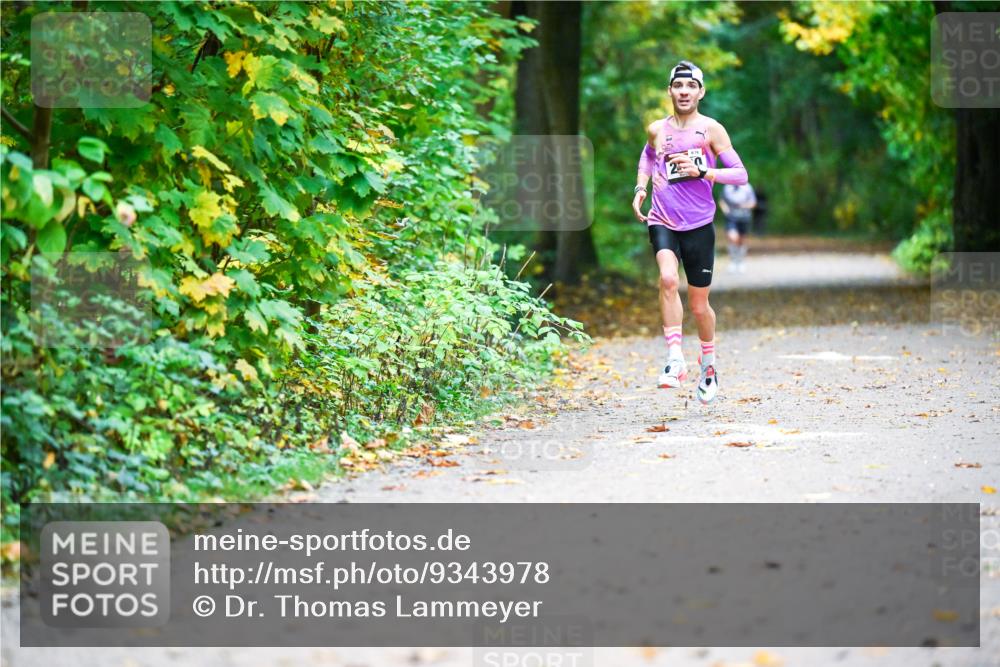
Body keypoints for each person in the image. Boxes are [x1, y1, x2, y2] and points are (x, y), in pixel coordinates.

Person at [631, 60, 749, 405]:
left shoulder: (712, 130)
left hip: (699, 224)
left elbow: (740, 175)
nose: (684, 92)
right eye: (677, 86)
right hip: (662, 218)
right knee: (667, 279)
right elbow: (647, 158)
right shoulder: (657, 129)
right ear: (669, 90)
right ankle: (674, 360)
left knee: (699, 306)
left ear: (700, 92)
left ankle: (709, 367)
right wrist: (641, 188)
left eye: (690, 86)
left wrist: (704, 171)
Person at [719, 182, 757, 273]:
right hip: (731, 217)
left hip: (744, 217)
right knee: (733, 237)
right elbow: (722, 200)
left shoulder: (747, 187)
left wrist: (744, 205)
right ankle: (733, 260)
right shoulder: (727, 187)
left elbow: (753, 203)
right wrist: (725, 209)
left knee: (742, 240)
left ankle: (740, 261)